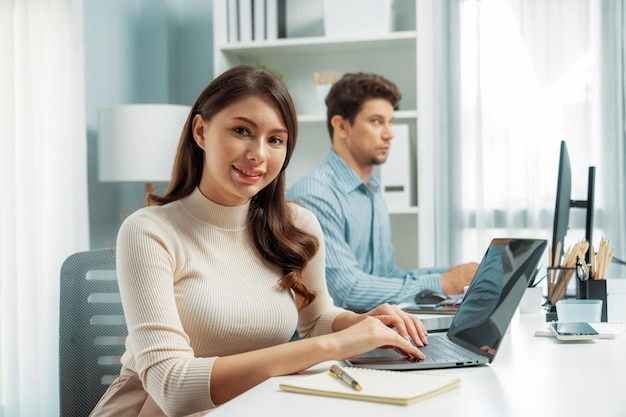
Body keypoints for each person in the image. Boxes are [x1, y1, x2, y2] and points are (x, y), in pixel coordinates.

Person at [89, 66, 429, 417]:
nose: (258, 155)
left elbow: (316, 319)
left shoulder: (297, 225)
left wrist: (363, 322)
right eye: (241, 131)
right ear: (201, 131)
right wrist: (334, 345)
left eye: (275, 140)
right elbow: (173, 387)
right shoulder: (149, 231)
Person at [287, 72, 479, 313]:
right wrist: (445, 282)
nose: (390, 133)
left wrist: (451, 274)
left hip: (368, 333)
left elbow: (386, 276)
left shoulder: (373, 194)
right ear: (342, 126)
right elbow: (346, 291)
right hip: (327, 343)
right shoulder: (314, 196)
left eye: (390, 121)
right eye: (377, 121)